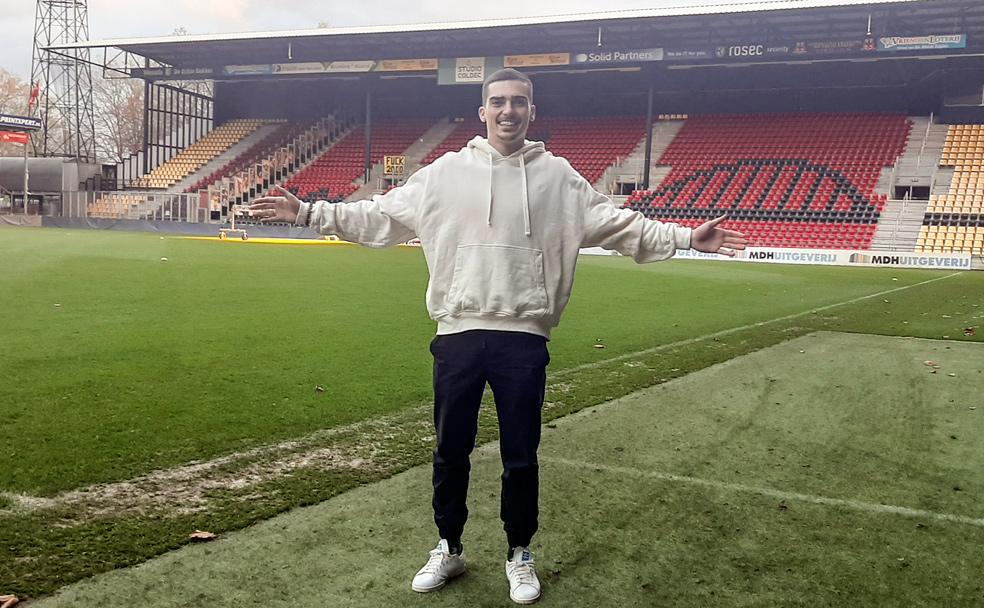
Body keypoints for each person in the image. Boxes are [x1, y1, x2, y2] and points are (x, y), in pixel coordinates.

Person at [250, 68, 747, 605]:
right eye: (498, 102)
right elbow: (378, 218)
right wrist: (307, 212)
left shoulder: (559, 177)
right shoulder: (443, 174)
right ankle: (449, 546)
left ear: (532, 112)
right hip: (458, 333)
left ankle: (519, 553)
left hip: (524, 338)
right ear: (481, 112)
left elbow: (621, 225)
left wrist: (687, 237)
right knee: (450, 452)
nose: (508, 111)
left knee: (520, 456)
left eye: (519, 102)